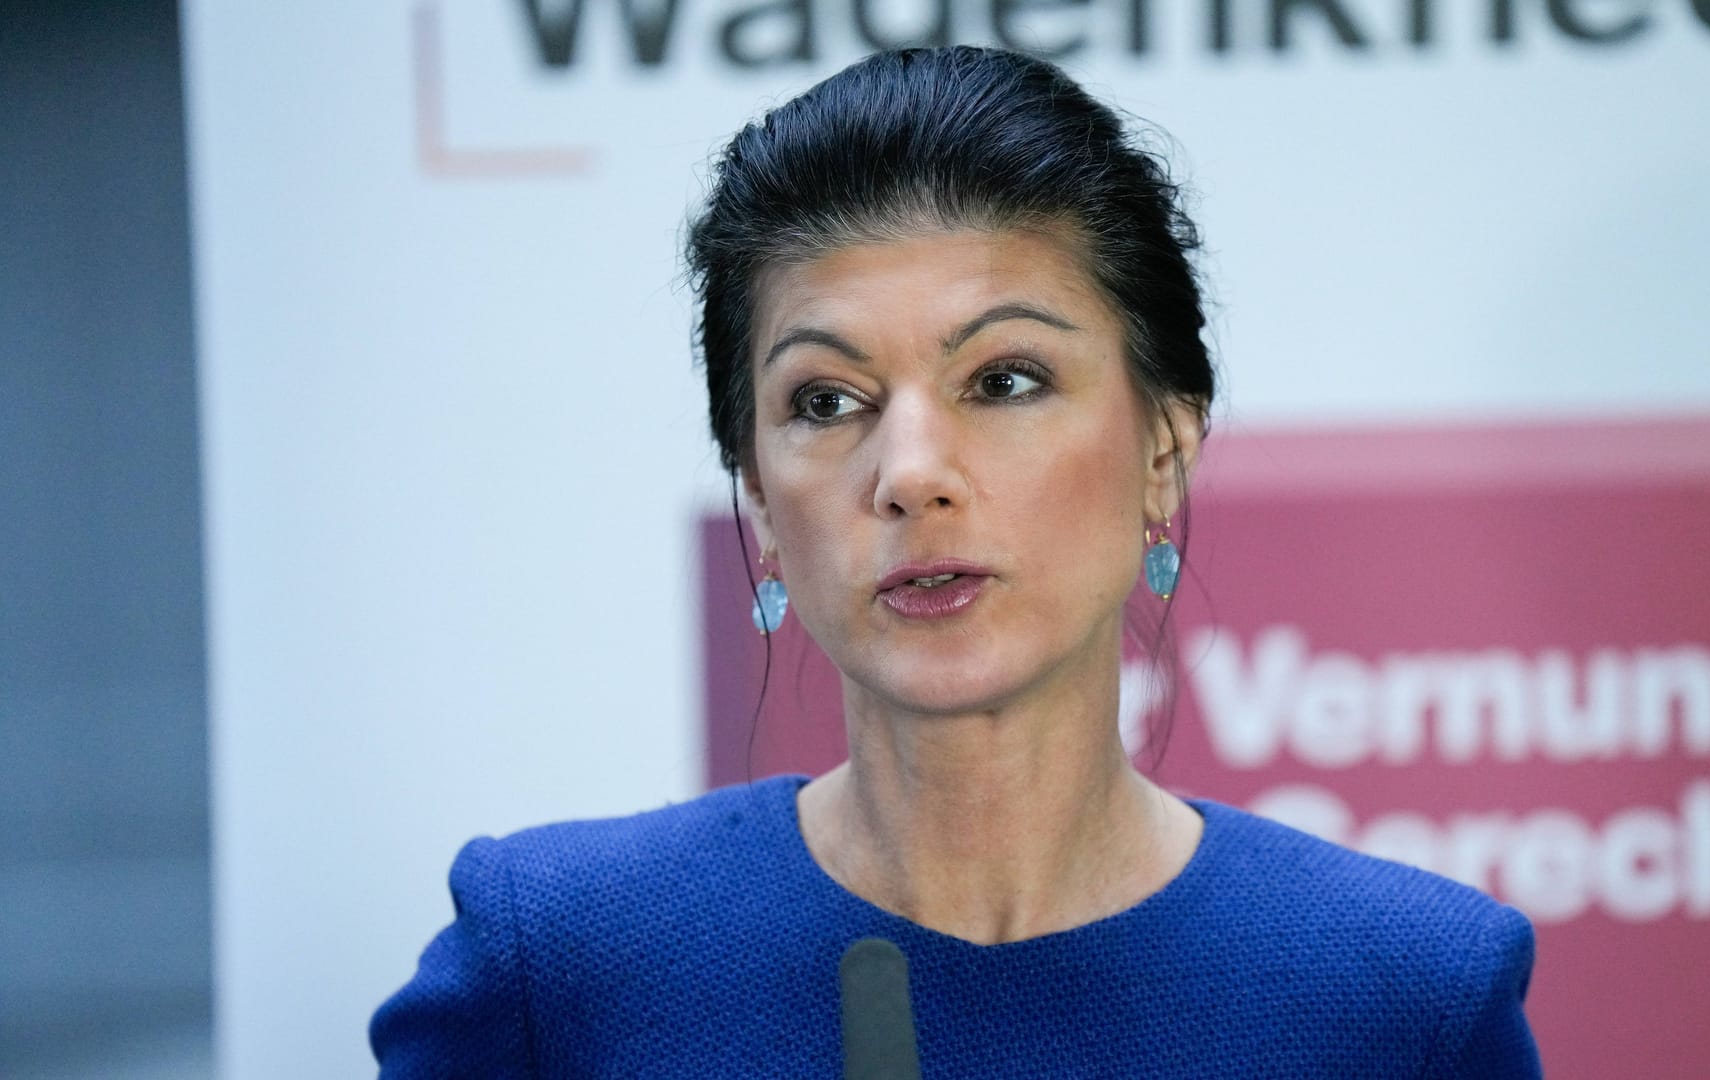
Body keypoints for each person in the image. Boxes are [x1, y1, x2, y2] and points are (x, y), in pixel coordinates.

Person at [370, 45, 1542, 1077]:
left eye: (1005, 380)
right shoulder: (557, 968)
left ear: (1163, 449)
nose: (910, 471)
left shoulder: (1406, 995)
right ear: (761, 503)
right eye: (827, 400)